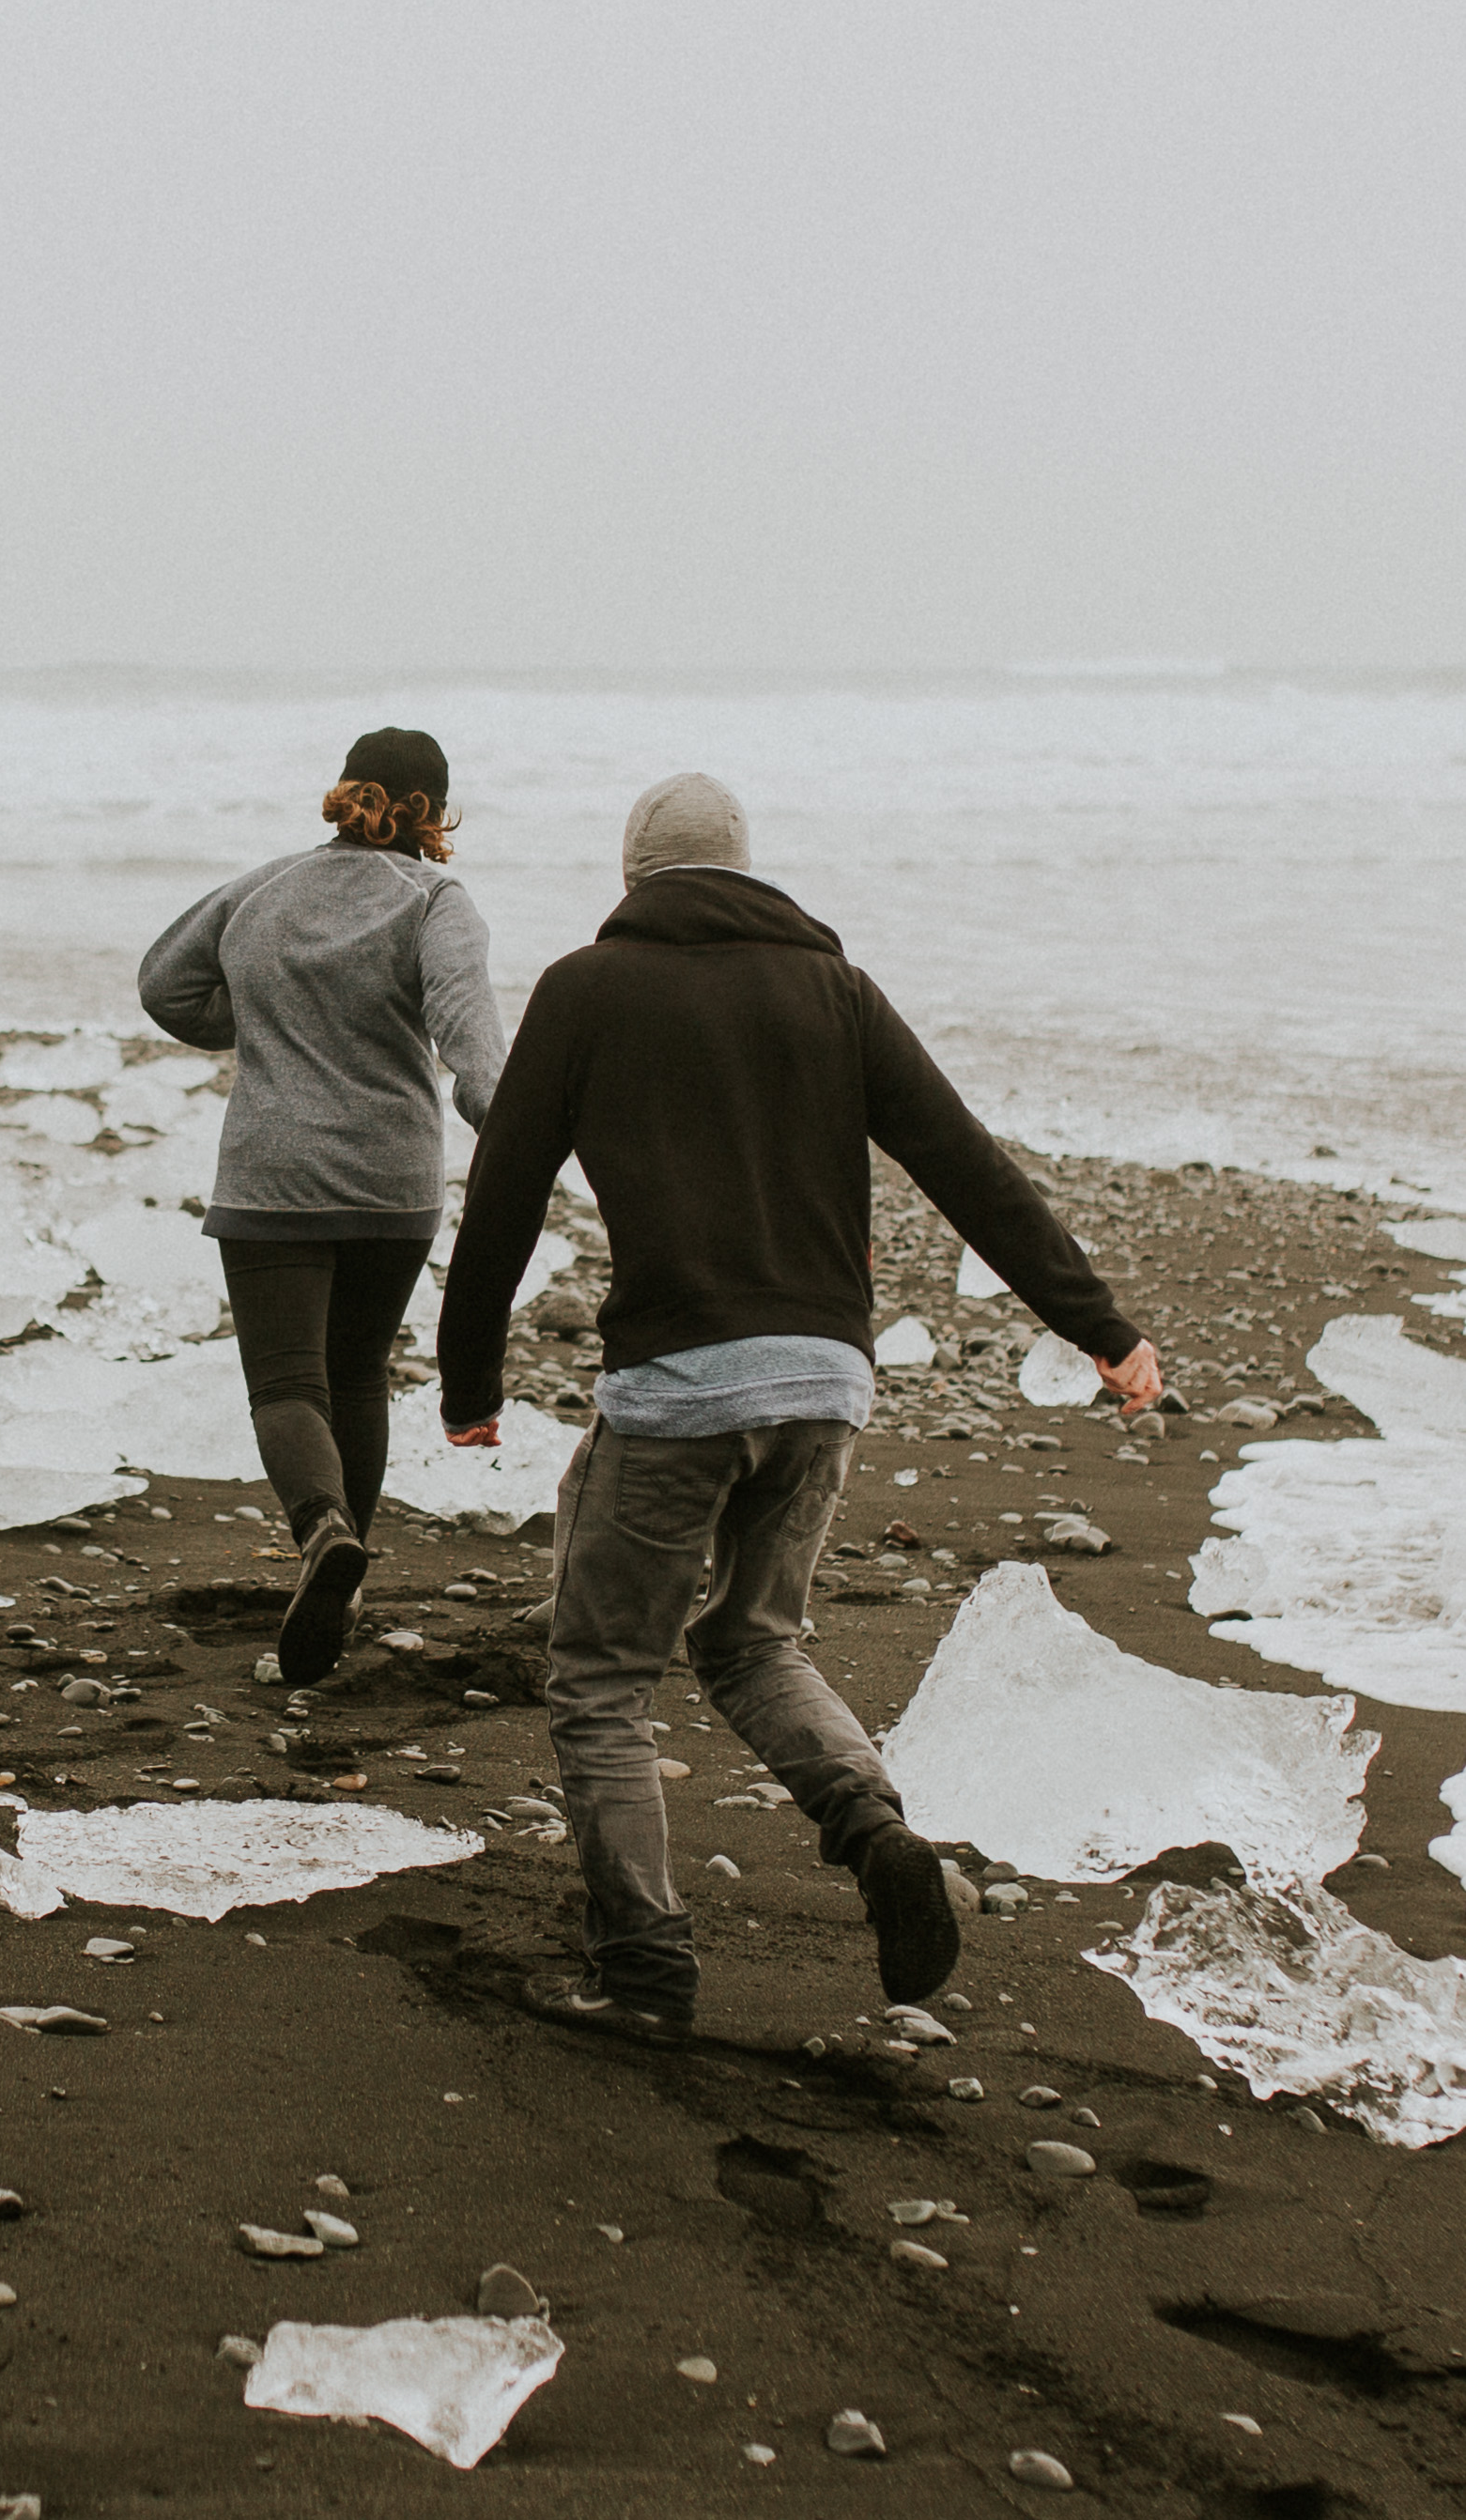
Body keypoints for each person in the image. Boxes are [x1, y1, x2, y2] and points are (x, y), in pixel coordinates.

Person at [435, 770, 1162, 2041]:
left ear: (630, 880)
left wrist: (468, 1382)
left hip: (676, 1386)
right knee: (752, 1640)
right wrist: (1101, 1331)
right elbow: (964, 1164)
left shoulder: (584, 989)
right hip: (824, 1380)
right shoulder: (834, 992)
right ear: (748, 871)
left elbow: (501, 1191)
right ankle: (878, 1838)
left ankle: (643, 1969)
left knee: (602, 1675)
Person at [139, 727, 505, 1685]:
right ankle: (343, 1585)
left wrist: (256, 1024)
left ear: (350, 790)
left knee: (286, 1384)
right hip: (393, 1184)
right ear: (434, 812)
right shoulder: (436, 900)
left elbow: (164, 983)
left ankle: (323, 1532)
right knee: (358, 1372)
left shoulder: (259, 887)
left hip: (272, 1177)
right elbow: (471, 1041)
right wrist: (513, 1133)